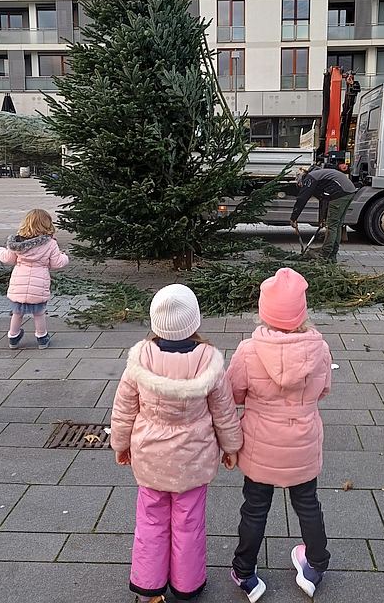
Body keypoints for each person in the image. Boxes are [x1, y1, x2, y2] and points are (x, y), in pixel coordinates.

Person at [110, 284, 243, 603]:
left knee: (150, 521)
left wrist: (120, 444)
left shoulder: (140, 360)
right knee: (189, 523)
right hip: (193, 462)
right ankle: (187, 586)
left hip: (150, 458)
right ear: (195, 321)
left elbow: (124, 408)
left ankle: (148, 587)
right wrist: (231, 447)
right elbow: (224, 411)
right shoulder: (209, 362)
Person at [226, 267, 332, 601]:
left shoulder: (248, 351)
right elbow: (323, 390)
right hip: (303, 446)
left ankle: (245, 572)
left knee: (255, 508)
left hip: (260, 448)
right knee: (308, 504)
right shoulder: (319, 349)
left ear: (264, 312)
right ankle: (315, 563)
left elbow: (233, 394)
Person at [0, 208, 69, 349]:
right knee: (39, 313)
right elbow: (56, 263)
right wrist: (64, 256)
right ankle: (42, 338)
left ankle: (13, 337)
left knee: (17, 313)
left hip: (19, 282)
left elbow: (9, 259)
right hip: (39, 283)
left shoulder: (17, 242)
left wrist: (0, 252)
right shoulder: (50, 243)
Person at [290, 164, 356, 262]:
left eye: (301, 186)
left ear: (301, 181)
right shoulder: (318, 176)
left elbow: (302, 199)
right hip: (349, 192)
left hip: (340, 193)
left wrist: (293, 218)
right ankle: (332, 254)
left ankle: (325, 253)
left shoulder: (310, 178)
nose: (302, 188)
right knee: (337, 224)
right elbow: (324, 199)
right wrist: (322, 219)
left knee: (332, 225)